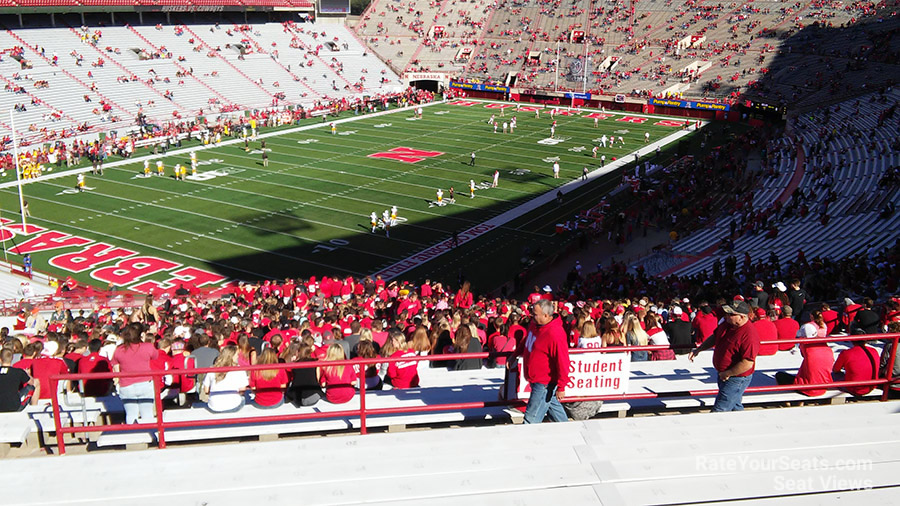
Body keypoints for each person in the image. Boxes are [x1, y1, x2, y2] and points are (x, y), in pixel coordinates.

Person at [689, 300, 760, 412]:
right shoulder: (727, 324)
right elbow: (715, 337)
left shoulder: (749, 335)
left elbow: (747, 363)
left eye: (730, 314)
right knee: (735, 404)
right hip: (726, 375)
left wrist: (728, 373)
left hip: (736, 378)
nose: (726, 316)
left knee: (720, 409)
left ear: (741, 317)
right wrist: (699, 349)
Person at [515, 299, 569, 424]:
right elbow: (527, 340)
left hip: (544, 382)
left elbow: (563, 361)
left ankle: (525, 436)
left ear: (546, 316)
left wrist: (562, 386)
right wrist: (515, 354)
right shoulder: (535, 324)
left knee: (531, 419)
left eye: (535, 314)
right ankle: (571, 430)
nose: (531, 316)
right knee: (554, 411)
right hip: (536, 380)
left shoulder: (555, 333)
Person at [775, 309, 834, 396]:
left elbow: (805, 356)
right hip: (824, 385)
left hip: (809, 388)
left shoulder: (807, 349)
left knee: (779, 375)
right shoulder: (826, 347)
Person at [111, 323, 158, 423]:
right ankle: (148, 432)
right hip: (145, 383)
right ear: (142, 334)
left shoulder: (119, 349)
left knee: (131, 414)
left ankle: (132, 432)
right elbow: (155, 356)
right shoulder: (148, 347)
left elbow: (115, 367)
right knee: (147, 413)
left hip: (126, 385)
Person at [203, 346, 249, 413]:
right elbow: (242, 389)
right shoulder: (239, 369)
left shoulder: (212, 369)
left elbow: (206, 390)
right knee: (244, 397)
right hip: (233, 406)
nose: (238, 357)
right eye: (237, 355)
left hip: (214, 407)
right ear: (232, 356)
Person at [285, 341, 324, 407]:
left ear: (298, 352)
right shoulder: (315, 362)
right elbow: (317, 379)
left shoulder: (295, 365)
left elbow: (294, 379)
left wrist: (292, 362)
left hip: (299, 398)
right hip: (314, 395)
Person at [0, 348, 38, 412]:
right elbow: (32, 382)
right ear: (12, 358)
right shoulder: (18, 372)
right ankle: (34, 407)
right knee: (35, 383)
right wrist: (28, 374)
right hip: (15, 406)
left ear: (0, 359)